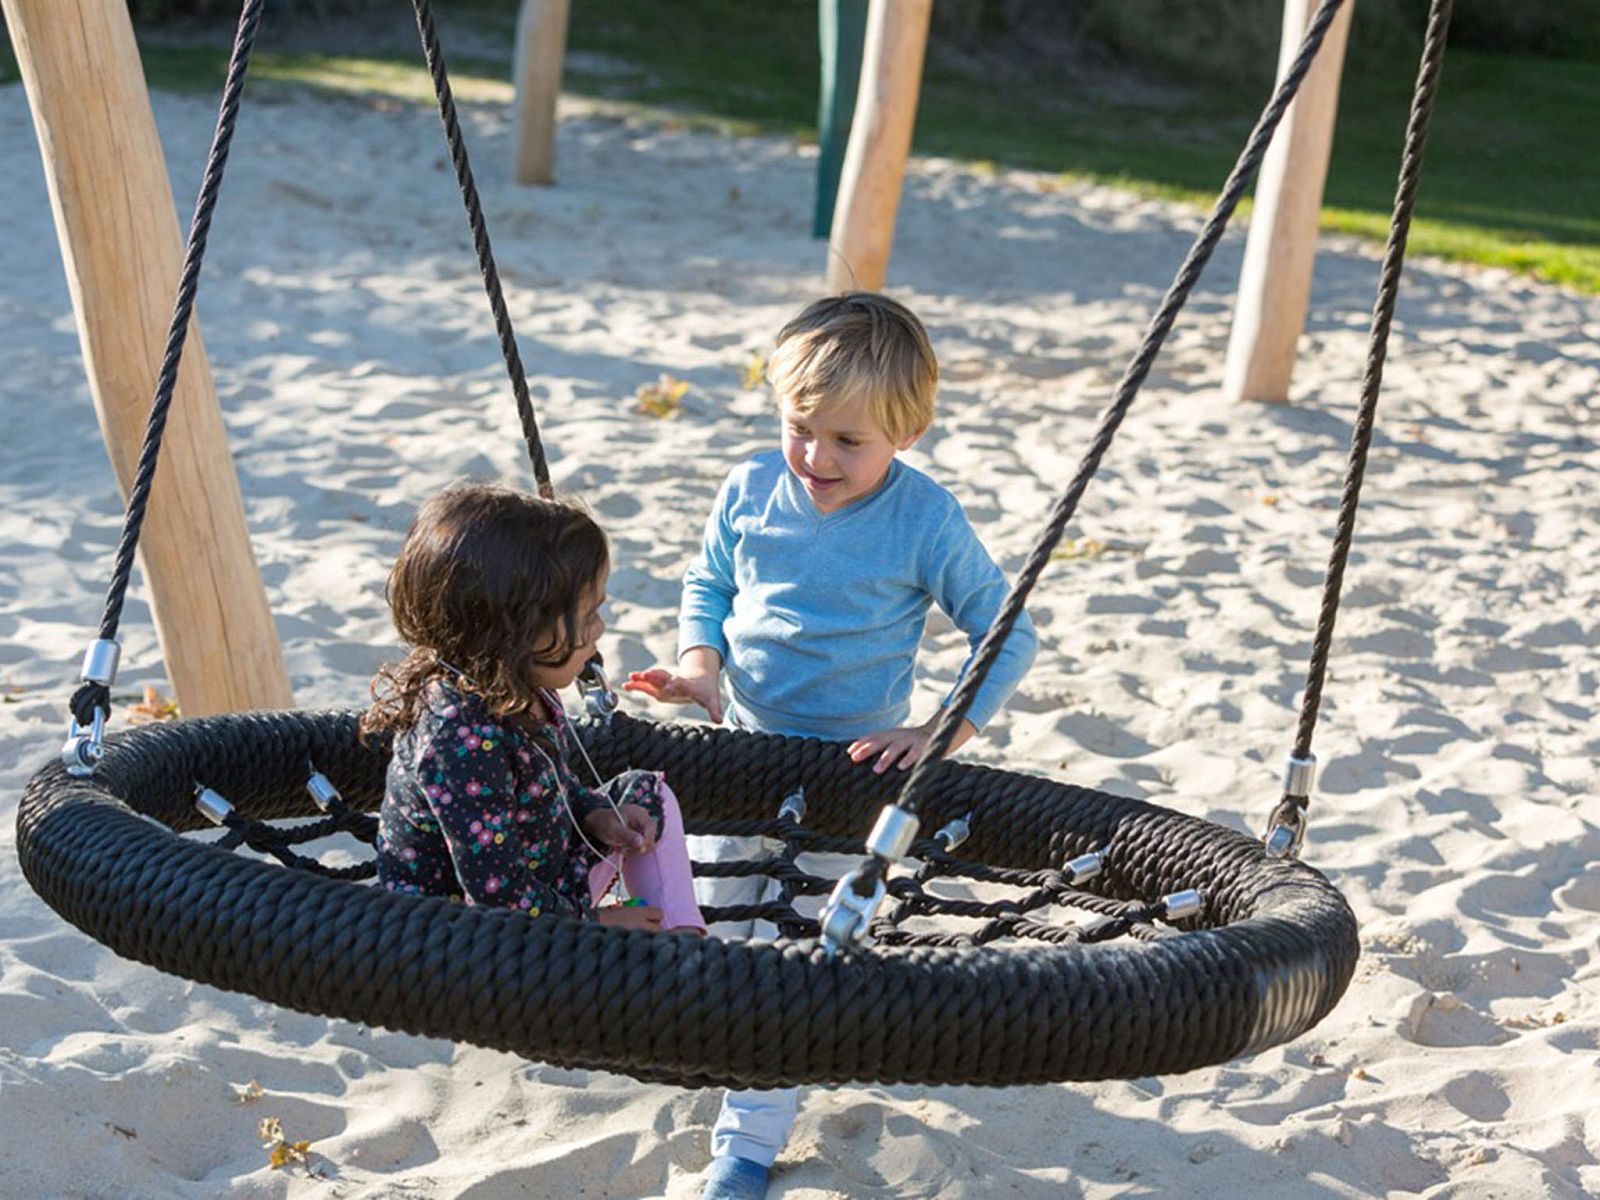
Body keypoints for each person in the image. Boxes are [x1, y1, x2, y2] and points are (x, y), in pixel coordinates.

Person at [624, 292, 1038, 1199]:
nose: (815, 457)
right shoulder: (748, 487)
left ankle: (746, 1146)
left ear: (908, 432)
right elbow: (711, 583)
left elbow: (1007, 634)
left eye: (848, 442)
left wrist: (937, 730)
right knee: (716, 921)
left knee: (790, 957)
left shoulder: (923, 521)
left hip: (850, 781)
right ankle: (725, 1063)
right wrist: (701, 668)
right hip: (739, 756)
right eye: (800, 426)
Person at [365, 482, 704, 934]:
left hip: (544, 883)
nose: (600, 629)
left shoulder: (522, 687)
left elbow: (554, 788)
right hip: (466, 934)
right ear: (517, 629)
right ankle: (663, 964)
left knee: (647, 795)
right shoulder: (458, 738)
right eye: (586, 617)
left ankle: (682, 940)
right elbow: (496, 894)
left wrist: (595, 815)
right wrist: (600, 921)